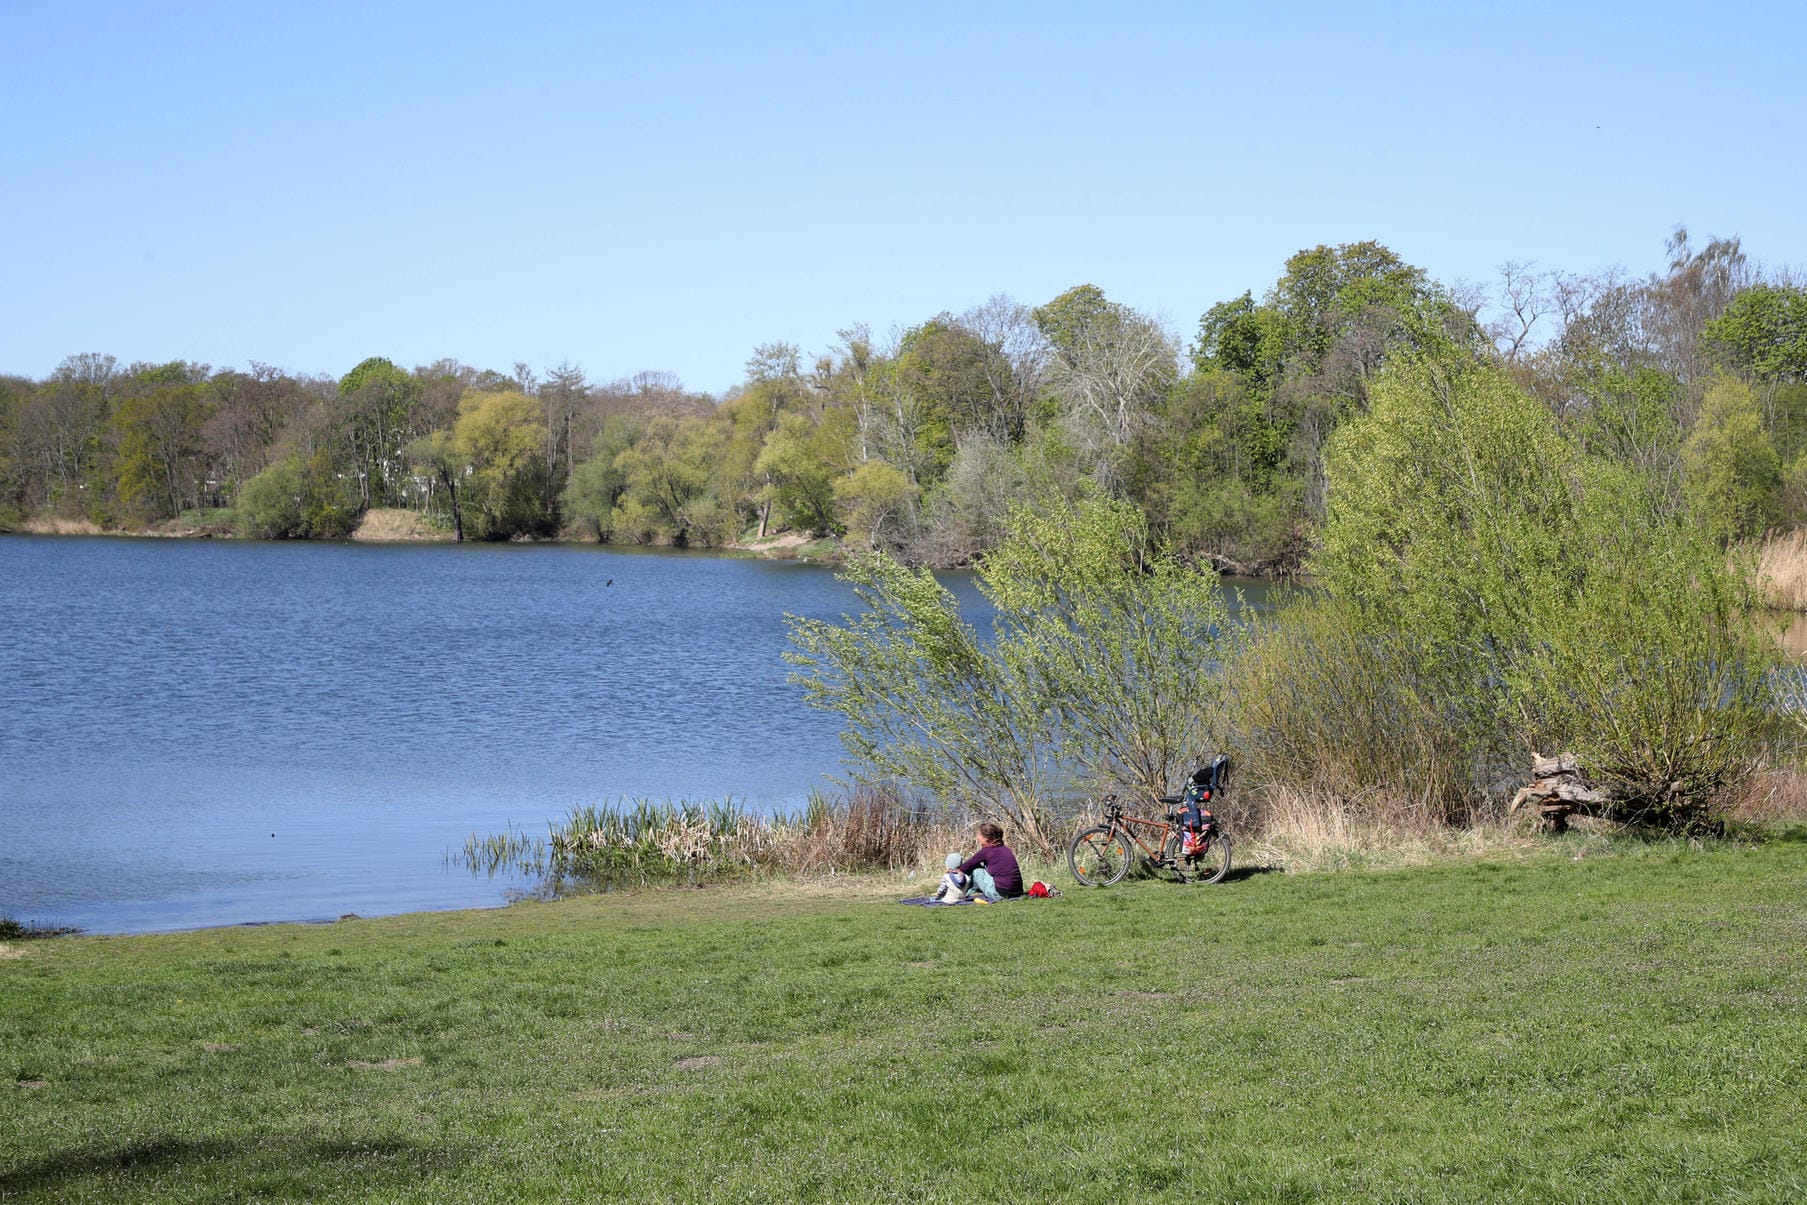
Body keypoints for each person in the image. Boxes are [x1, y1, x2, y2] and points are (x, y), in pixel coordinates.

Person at [956, 821, 1023, 901]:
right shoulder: (1006, 849)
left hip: (1001, 894)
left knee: (977, 870)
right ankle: (965, 892)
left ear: (986, 838)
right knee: (979, 866)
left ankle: (959, 892)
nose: (977, 837)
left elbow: (965, 867)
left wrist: (953, 871)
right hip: (1017, 892)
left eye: (979, 835)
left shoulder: (987, 851)